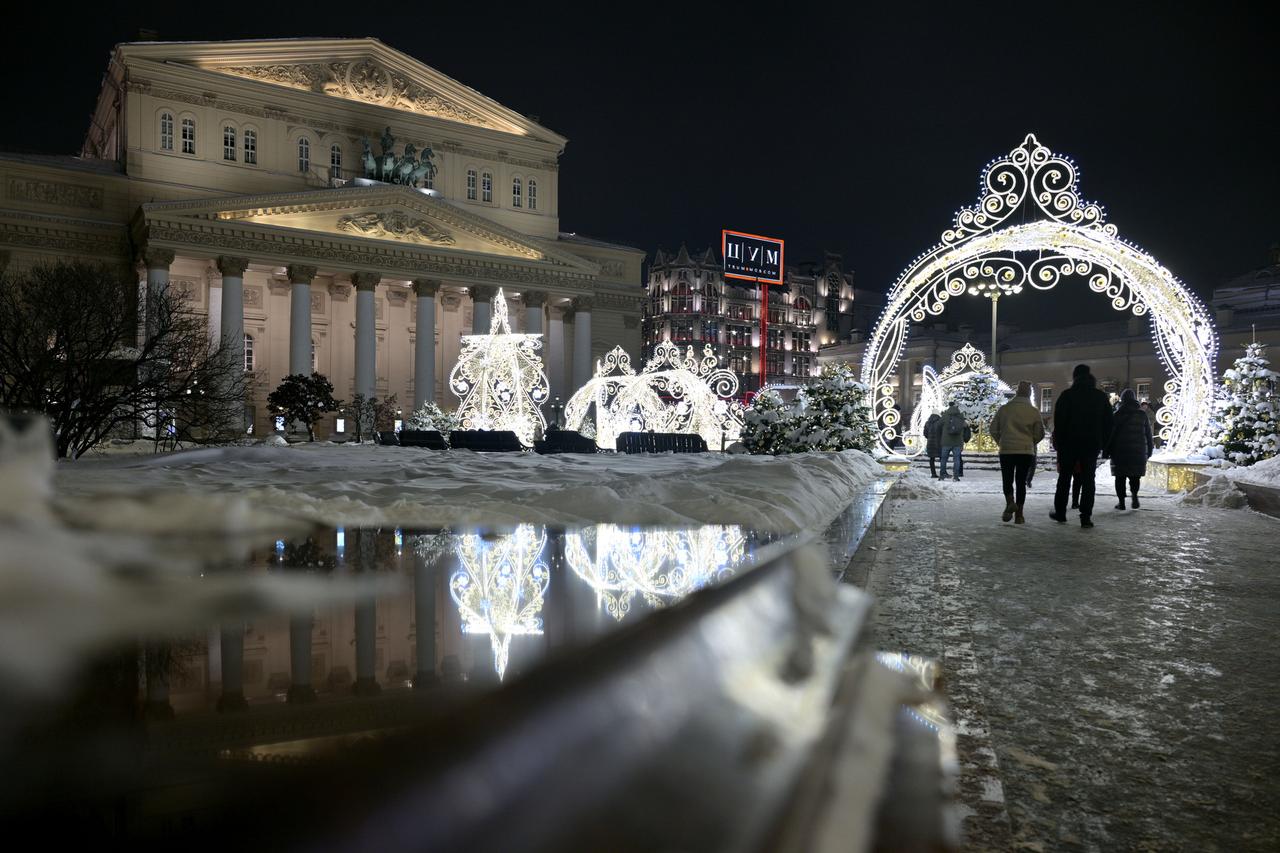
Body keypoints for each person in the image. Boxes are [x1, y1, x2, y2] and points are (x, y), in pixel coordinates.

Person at [1050, 364, 1114, 528]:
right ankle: (1086, 516)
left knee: (1064, 478)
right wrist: (1103, 443)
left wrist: (1060, 443)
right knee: (1088, 480)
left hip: (1069, 444)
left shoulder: (1067, 395)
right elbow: (1109, 423)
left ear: (1075, 377)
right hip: (1091, 444)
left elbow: (1059, 422)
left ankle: (1060, 512)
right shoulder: (1100, 397)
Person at [990, 381, 1045, 524]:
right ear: (1029, 394)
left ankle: (1010, 502)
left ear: (1017, 393)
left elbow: (993, 429)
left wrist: (1001, 441)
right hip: (1025, 451)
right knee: (1021, 482)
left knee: (1007, 479)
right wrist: (1031, 442)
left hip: (1007, 450)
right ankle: (1019, 515)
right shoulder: (1033, 411)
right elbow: (1040, 433)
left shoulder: (1005, 409)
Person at [1105, 388, 1155, 509]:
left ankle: (1121, 502)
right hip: (1138, 451)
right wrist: (1149, 450)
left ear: (1122, 399)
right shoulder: (1142, 415)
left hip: (1119, 451)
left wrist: (1107, 450)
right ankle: (1134, 496)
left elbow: (1110, 435)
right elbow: (1148, 435)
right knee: (1135, 476)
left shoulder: (1117, 415)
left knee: (1120, 477)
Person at [938, 400, 971, 481]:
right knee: (956, 460)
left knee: (944, 459)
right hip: (957, 442)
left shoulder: (945, 415)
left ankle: (942, 475)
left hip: (946, 442)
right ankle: (956, 477)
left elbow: (938, 425)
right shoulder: (961, 416)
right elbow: (965, 426)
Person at [924, 411, 943, 478]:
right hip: (939, 443)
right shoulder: (940, 423)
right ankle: (942, 473)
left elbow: (925, 434)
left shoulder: (927, 423)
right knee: (942, 458)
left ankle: (933, 473)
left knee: (932, 459)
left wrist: (929, 438)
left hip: (930, 443)